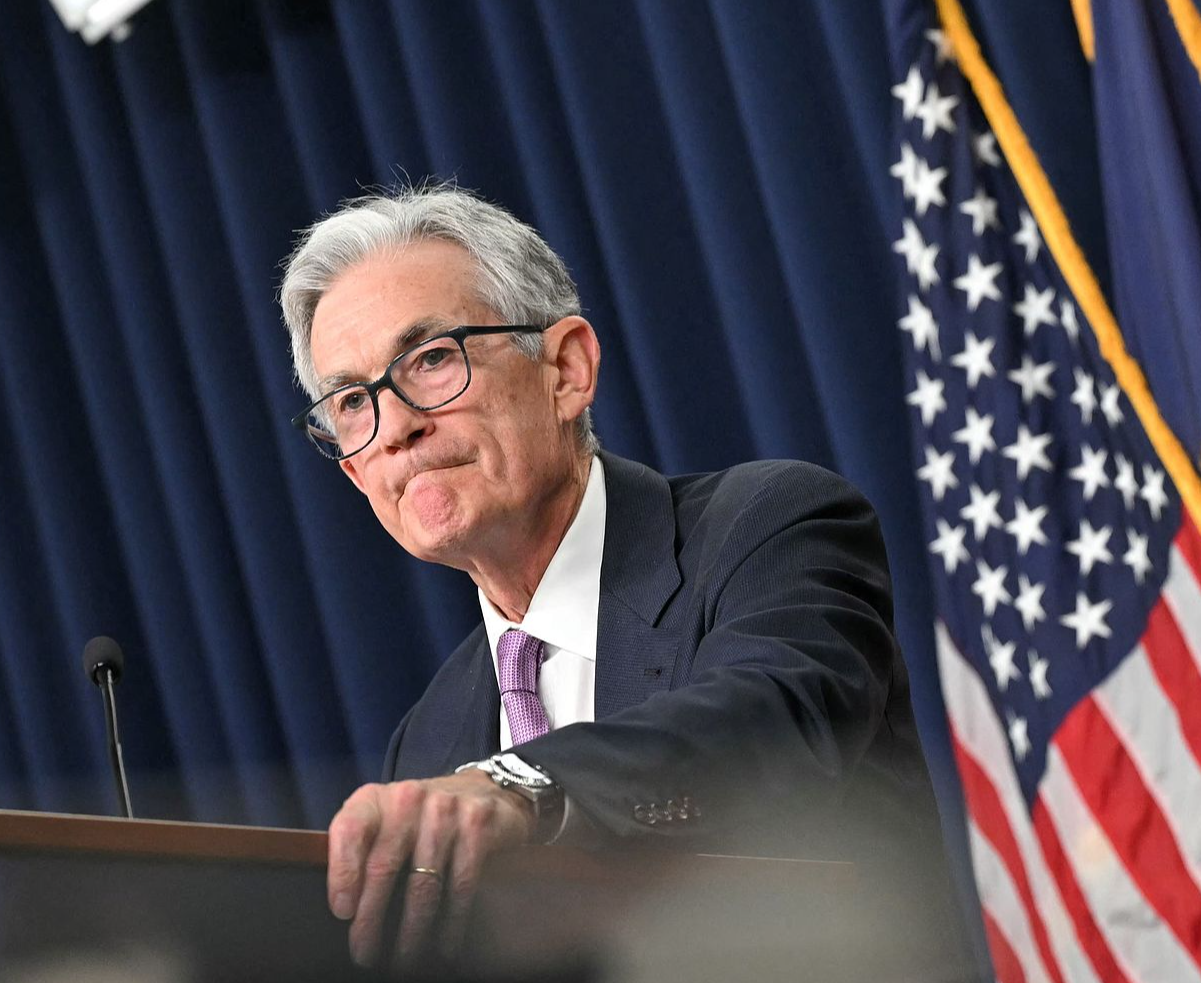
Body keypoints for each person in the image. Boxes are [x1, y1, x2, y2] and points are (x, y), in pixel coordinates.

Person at [277, 184, 973, 973]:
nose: (395, 426)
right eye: (352, 402)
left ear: (567, 369)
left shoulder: (768, 526)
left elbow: (775, 721)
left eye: (433, 360)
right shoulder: (429, 738)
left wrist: (521, 786)